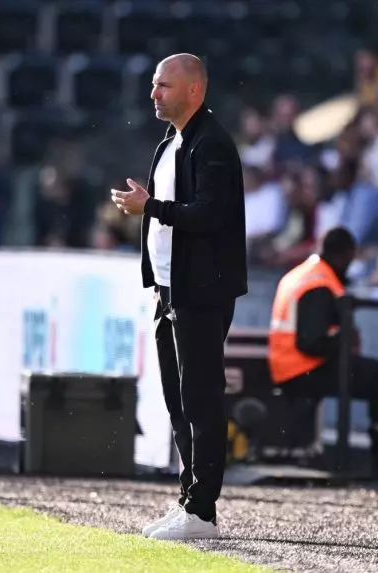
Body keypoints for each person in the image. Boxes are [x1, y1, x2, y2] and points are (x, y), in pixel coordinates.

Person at [111, 53, 247, 541]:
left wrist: (151, 206)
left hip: (201, 290)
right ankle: (189, 499)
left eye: (163, 86)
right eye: (154, 84)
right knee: (178, 400)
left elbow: (209, 214)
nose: (153, 94)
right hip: (170, 289)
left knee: (201, 399)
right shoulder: (171, 142)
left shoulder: (212, 144)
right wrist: (148, 208)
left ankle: (203, 511)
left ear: (194, 90)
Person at [267, 227, 378, 479]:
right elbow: (310, 342)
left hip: (290, 368)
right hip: (306, 369)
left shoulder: (303, 273)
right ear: (345, 254)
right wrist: (344, 338)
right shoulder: (318, 283)